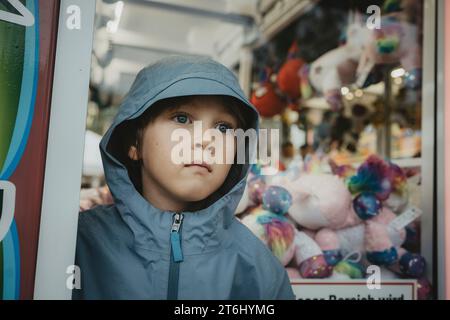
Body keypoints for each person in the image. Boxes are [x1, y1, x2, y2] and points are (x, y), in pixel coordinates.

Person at [73, 55, 295, 300]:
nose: (205, 139)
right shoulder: (77, 245)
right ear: (134, 143)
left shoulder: (258, 269)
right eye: (182, 118)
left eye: (224, 128)